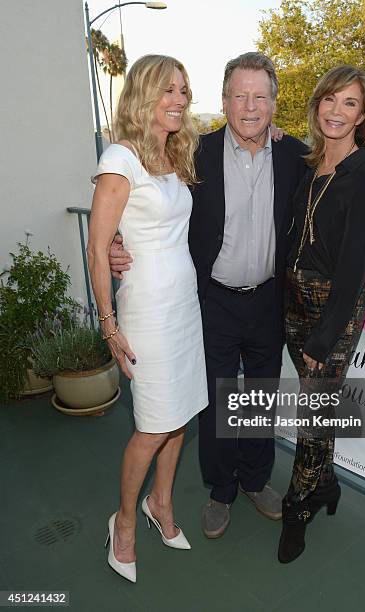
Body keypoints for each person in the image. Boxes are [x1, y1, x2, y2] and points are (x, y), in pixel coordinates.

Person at [110, 52, 310, 538]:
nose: (249, 106)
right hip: (210, 299)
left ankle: (257, 481)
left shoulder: (295, 155)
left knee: (260, 395)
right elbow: (136, 197)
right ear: (224, 101)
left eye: (260, 96)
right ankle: (221, 490)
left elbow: (337, 194)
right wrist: (117, 243)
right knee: (216, 400)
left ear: (273, 103)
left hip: (267, 299)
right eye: (239, 95)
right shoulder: (192, 152)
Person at [87, 55, 208, 582]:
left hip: (184, 303)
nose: (179, 100)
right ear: (143, 95)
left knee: (180, 415)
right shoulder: (121, 157)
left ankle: (163, 503)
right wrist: (109, 326)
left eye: (183, 90)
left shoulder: (174, 152)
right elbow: (97, 249)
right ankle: (125, 522)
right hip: (148, 310)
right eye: (167, 91)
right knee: (151, 425)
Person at [277, 65, 365, 564]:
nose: (336, 111)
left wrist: (324, 339)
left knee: (313, 415)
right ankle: (327, 486)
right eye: (330, 100)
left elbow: (353, 276)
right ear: (317, 105)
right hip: (293, 306)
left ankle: (296, 505)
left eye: (349, 103)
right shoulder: (310, 163)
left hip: (334, 314)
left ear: (363, 114)